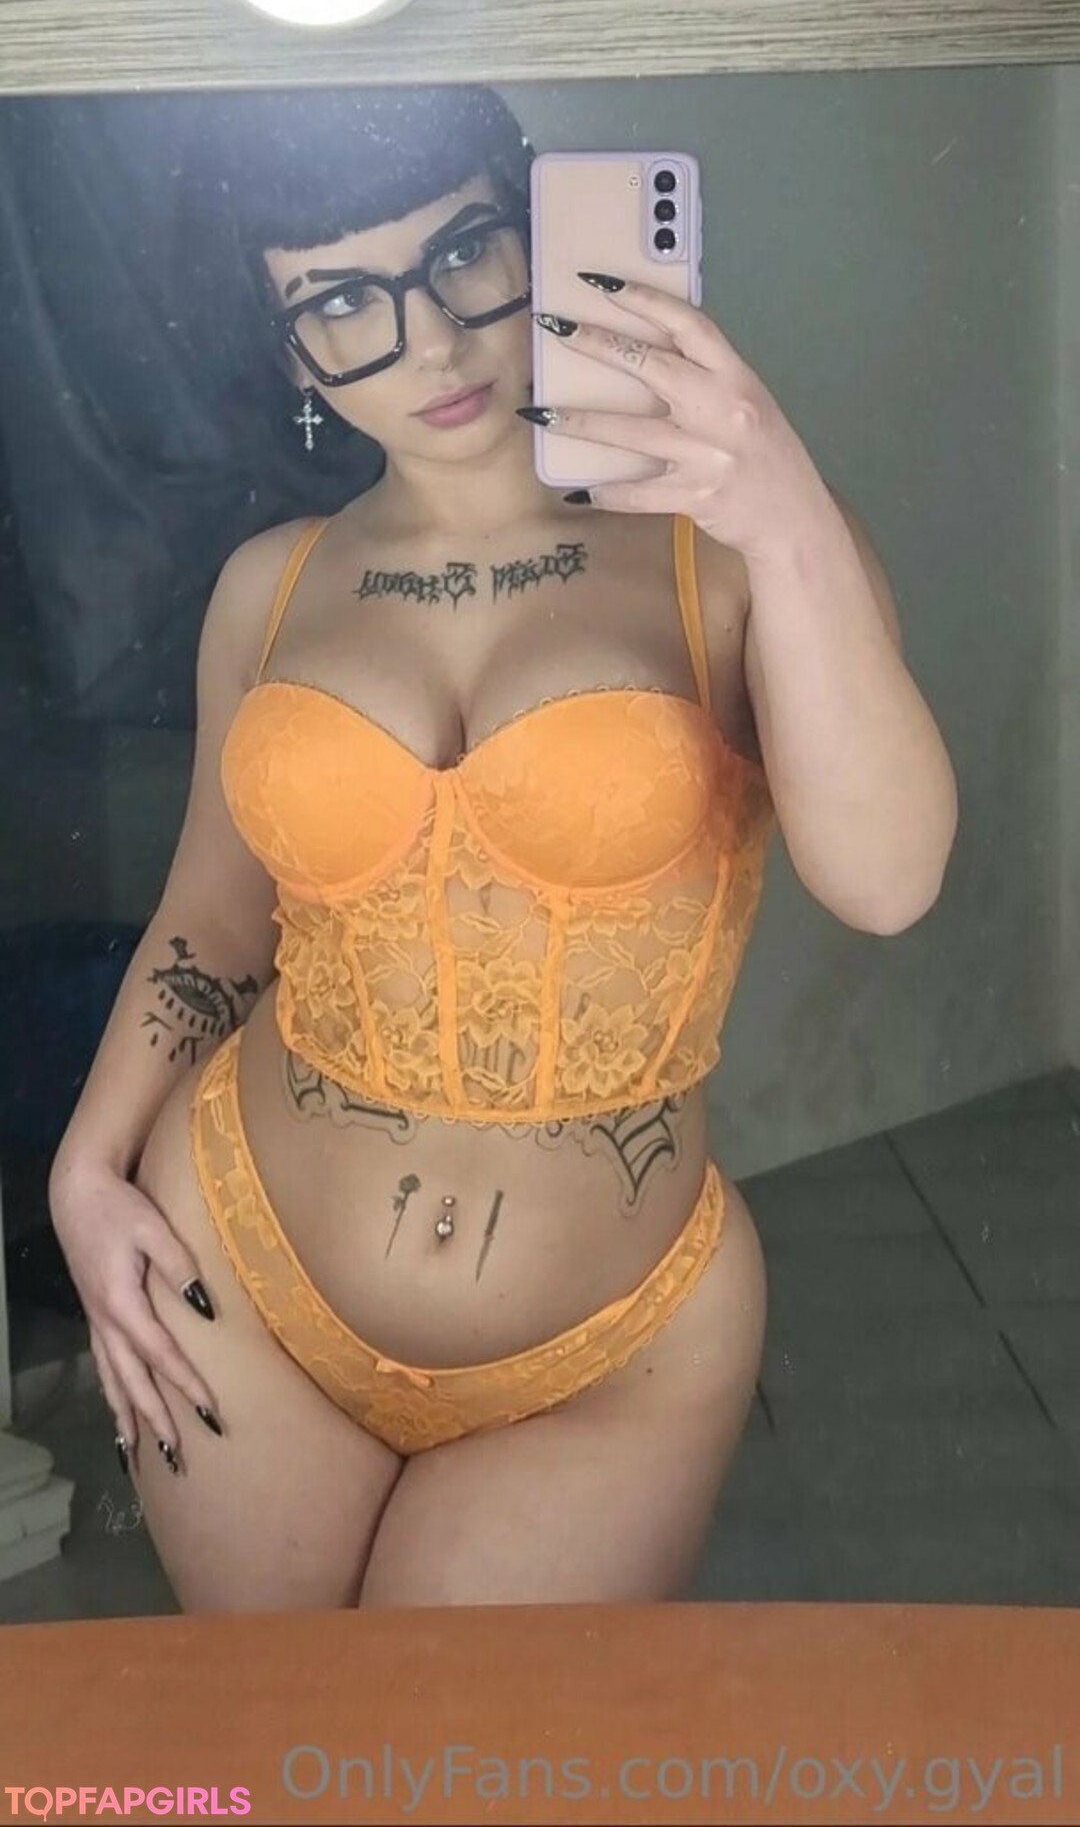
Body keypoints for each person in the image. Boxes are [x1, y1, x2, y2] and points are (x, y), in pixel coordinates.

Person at [49, 86, 957, 1611]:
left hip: (607, 1355)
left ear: (540, 235)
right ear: (289, 351)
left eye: (463, 252)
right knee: (280, 1732)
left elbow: (889, 883)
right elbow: (213, 918)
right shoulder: (268, 587)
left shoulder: (739, 553)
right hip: (237, 1266)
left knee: (460, 1743)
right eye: (343, 300)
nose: (431, 342)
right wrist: (86, 1172)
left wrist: (788, 507)